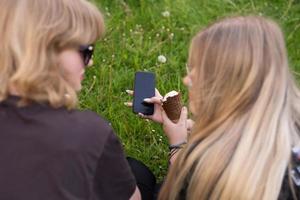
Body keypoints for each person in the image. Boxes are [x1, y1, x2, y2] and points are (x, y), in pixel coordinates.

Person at [132, 16, 300, 199]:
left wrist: (178, 143)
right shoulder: (288, 128)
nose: (187, 80)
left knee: (132, 173)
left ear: (231, 84)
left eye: (202, 71)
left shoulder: (210, 170)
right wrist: (195, 127)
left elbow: (174, 192)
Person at [0, 0, 141, 199]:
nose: (90, 62)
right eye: (85, 51)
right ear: (46, 50)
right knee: (140, 175)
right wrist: (177, 145)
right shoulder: (89, 133)